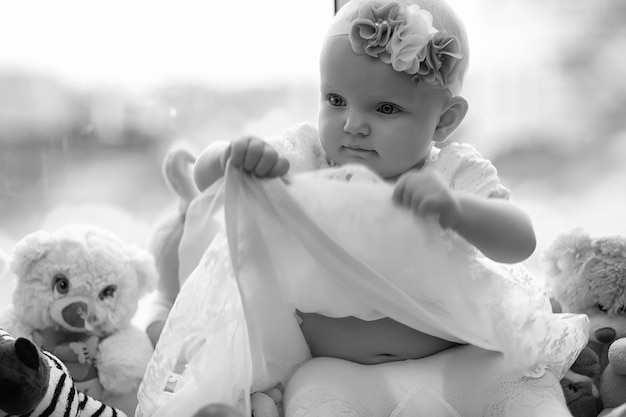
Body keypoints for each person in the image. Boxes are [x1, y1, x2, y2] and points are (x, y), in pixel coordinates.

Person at [138, 0, 588, 416]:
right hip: (340, 371)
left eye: (385, 108)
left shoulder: (450, 173)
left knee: (526, 388)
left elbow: (519, 241)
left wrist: (457, 210)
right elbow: (205, 180)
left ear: (445, 120)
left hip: (459, 357)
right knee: (314, 399)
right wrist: (233, 156)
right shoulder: (306, 157)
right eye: (335, 101)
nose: (353, 124)